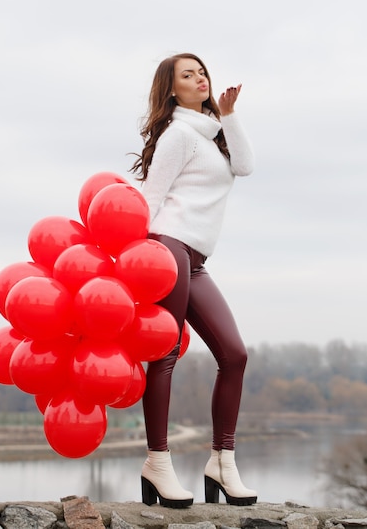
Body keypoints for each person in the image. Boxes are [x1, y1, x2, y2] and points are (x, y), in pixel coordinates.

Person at [130, 52, 257, 509]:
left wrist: (230, 115)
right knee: (165, 352)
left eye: (201, 71)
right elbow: (150, 200)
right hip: (168, 248)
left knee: (235, 354)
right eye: (188, 75)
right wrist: (134, 260)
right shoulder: (179, 135)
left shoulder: (213, 133)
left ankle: (222, 462)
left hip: (195, 259)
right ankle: (157, 462)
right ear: (171, 89)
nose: (200, 78)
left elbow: (243, 166)